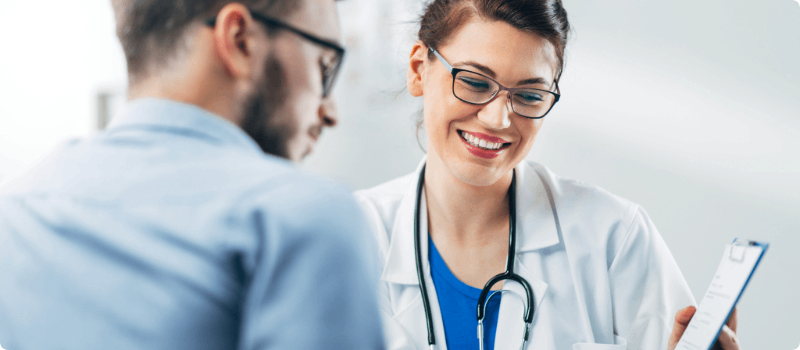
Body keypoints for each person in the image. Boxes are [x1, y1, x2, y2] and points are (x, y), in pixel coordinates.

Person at [354, 0, 740, 349]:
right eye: (473, 82)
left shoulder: (613, 239)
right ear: (419, 69)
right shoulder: (351, 235)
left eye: (529, 96)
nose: (497, 118)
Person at [0, 1, 384, 349]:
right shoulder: (305, 218)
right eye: (324, 66)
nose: (329, 112)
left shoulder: (17, 210)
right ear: (239, 40)